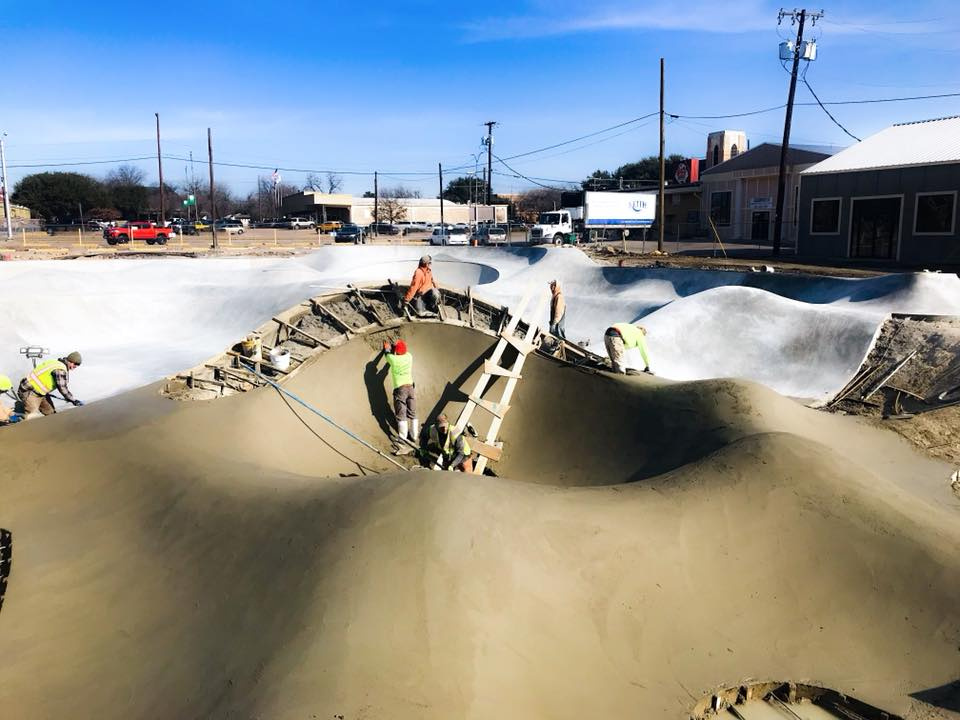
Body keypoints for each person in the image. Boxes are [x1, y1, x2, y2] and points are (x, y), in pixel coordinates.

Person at [17, 351, 84, 418]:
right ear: (70, 360)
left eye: (78, 365)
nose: (76, 366)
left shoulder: (56, 363)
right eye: (75, 364)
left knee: (51, 413)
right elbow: (62, 387)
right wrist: (72, 400)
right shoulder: (60, 369)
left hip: (41, 393)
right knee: (32, 416)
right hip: (29, 391)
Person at [382, 338, 418, 442]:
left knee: (401, 412)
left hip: (400, 388)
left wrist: (387, 347)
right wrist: (396, 346)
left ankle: (403, 437)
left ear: (396, 352)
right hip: (411, 387)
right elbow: (399, 351)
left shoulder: (393, 359)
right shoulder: (409, 356)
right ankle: (414, 436)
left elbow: (387, 354)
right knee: (412, 412)